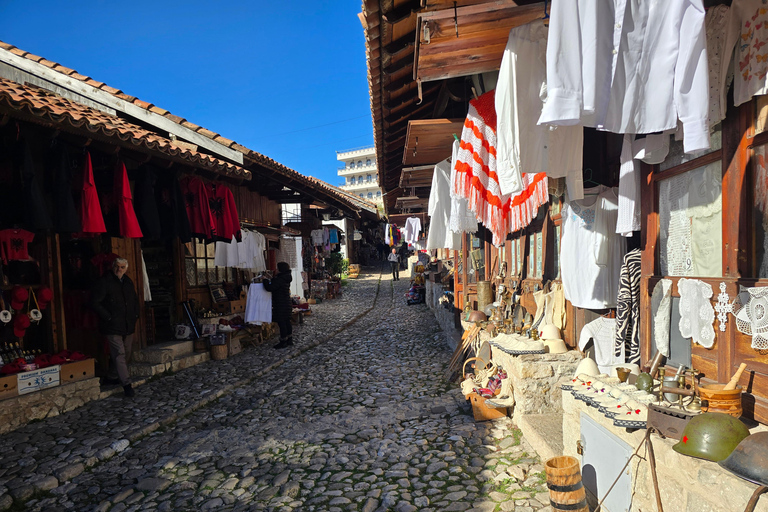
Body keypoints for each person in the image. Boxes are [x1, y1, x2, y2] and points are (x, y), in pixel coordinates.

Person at [90, 257, 139, 397]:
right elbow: (95, 302)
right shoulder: (105, 281)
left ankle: (111, 376)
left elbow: (134, 300)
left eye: (122, 267)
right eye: (117, 266)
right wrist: (108, 317)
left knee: (127, 352)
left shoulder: (128, 282)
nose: (120, 269)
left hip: (128, 323)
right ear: (113, 267)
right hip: (112, 325)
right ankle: (127, 384)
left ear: (126, 268)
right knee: (119, 353)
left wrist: (135, 315)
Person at [264, 261, 293, 349]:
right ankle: (289, 339)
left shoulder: (280, 279)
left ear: (280, 270)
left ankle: (283, 341)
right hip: (286, 303)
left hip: (281, 304)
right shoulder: (285, 278)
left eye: (277, 268)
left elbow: (270, 288)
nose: (275, 270)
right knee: (287, 321)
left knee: (282, 322)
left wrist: (265, 280)